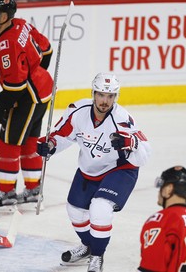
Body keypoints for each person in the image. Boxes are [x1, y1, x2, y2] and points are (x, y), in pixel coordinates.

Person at [36, 73, 151, 272]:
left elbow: (144, 153)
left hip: (120, 169)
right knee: (75, 211)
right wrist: (50, 144)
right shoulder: (78, 111)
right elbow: (61, 135)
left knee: (100, 208)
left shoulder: (122, 119)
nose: (105, 101)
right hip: (89, 169)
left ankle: (97, 256)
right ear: (93, 93)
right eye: (101, 95)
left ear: (115, 97)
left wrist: (131, 143)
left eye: (110, 96)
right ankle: (89, 247)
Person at [0, 0, 53, 207]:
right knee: (30, 142)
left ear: (3, 16)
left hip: (27, 98)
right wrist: (36, 73)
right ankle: (33, 189)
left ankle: (7, 194)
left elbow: (15, 86)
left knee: (8, 143)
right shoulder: (22, 25)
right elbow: (47, 50)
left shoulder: (6, 44)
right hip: (42, 92)